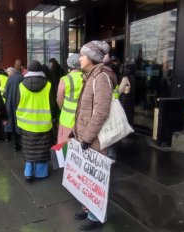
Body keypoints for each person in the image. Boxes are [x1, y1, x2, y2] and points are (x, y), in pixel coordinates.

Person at [71, 40, 116, 230]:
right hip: (85, 137)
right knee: (86, 178)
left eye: (82, 55)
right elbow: (83, 109)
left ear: (91, 58)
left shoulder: (101, 77)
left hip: (95, 139)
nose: (79, 58)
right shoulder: (90, 75)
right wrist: (75, 132)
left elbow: (100, 112)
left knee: (95, 180)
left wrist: (87, 137)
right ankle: (87, 207)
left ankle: (95, 216)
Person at [16, 60, 57, 182]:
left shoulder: (21, 85)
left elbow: (17, 103)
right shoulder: (48, 85)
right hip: (44, 123)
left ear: (28, 70)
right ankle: (41, 173)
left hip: (25, 123)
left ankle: (28, 171)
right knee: (42, 148)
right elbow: (53, 105)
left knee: (29, 148)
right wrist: (54, 116)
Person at [56, 54, 83, 144]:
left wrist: (61, 108)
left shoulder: (65, 79)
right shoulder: (87, 77)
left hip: (66, 119)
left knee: (65, 146)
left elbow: (59, 100)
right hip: (83, 119)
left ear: (69, 65)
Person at [4, 67, 24, 151]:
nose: (7, 73)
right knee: (19, 123)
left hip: (10, 103)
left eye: (8, 72)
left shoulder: (9, 79)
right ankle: (20, 143)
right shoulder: (22, 78)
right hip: (19, 104)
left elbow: (5, 92)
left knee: (11, 123)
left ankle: (16, 144)